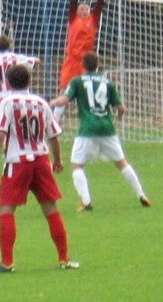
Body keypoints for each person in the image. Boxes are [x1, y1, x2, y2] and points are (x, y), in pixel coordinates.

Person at [0, 64, 79, 273]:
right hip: (42, 160)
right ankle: (64, 258)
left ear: (8, 82)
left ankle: (7, 262)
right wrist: (58, 160)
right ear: (30, 81)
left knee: (5, 209)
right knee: (51, 209)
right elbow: (53, 135)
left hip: (18, 162)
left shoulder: (7, 102)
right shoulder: (40, 102)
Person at [50, 51, 151, 211]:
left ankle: (86, 201)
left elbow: (64, 99)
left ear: (83, 65)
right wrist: (118, 117)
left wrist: (52, 103)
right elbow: (121, 108)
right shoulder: (107, 82)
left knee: (77, 166)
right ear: (97, 65)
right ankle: (142, 195)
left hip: (88, 130)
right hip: (107, 129)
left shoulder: (77, 81)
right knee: (122, 163)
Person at [53, 0, 106, 121]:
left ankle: (90, 118)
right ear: (77, 11)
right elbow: (73, 1)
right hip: (71, 61)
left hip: (86, 62)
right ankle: (54, 122)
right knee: (64, 91)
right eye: (81, 8)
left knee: (87, 91)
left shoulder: (93, 21)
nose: (83, 10)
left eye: (86, 8)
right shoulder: (73, 20)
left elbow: (100, 4)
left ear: (90, 11)